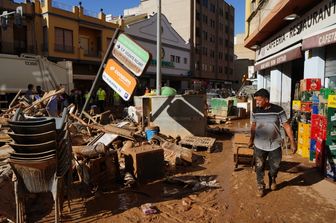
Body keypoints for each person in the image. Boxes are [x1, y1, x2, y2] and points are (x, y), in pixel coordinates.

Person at [248, 88, 296, 197]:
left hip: (275, 144)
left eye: (259, 100)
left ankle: (272, 177)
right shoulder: (255, 111)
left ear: (266, 99)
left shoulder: (278, 110)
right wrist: (251, 139)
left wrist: (292, 142)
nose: (257, 102)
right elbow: (253, 125)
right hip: (259, 144)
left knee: (276, 165)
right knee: (259, 166)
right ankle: (261, 186)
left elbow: (286, 126)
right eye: (256, 100)